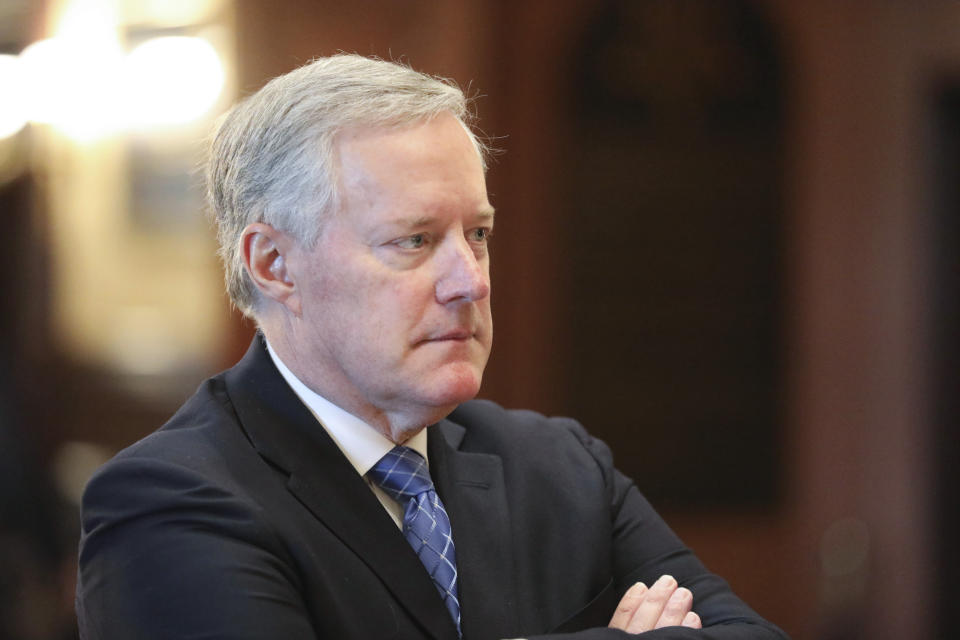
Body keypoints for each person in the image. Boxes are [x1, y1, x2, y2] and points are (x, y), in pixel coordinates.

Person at [75, 54, 788, 639]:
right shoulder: (171, 500)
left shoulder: (558, 467)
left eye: (477, 234)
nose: (468, 281)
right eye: (414, 241)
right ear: (274, 265)